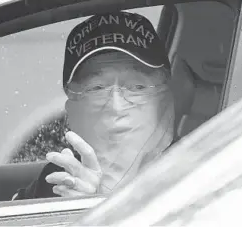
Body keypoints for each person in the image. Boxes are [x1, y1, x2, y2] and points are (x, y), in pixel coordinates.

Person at [13, 11, 176, 199]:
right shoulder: (62, 178)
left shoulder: (198, 171)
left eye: (137, 87)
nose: (116, 106)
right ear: (75, 104)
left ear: (162, 97)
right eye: (97, 88)